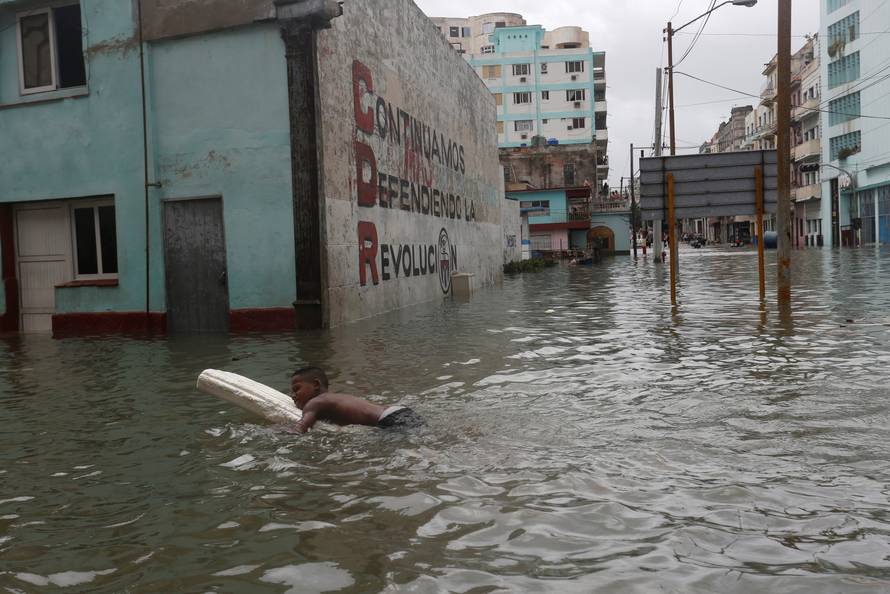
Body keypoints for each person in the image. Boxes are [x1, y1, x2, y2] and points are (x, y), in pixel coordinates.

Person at [289, 366, 424, 433]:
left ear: (316, 385)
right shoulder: (336, 398)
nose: (293, 395)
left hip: (388, 421)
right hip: (398, 411)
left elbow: (300, 429)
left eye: (296, 389)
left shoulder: (314, 403)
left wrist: (274, 430)